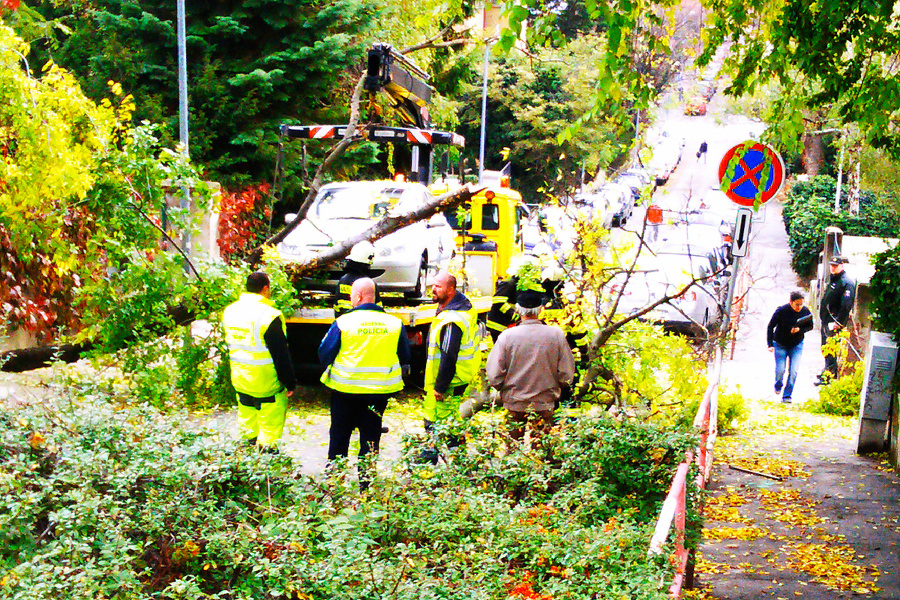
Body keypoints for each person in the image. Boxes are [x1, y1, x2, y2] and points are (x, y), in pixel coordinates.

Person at [319, 277, 410, 486]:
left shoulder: (343, 322)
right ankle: (366, 486)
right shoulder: (394, 324)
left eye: (351, 294)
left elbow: (324, 353)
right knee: (370, 438)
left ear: (358, 296)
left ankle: (335, 483)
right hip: (378, 393)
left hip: (345, 391)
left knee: (339, 436)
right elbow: (405, 356)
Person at [486, 288, 575, 441]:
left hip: (514, 403)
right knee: (543, 453)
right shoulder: (556, 335)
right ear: (540, 310)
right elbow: (566, 375)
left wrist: (504, 390)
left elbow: (494, 375)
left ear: (518, 310)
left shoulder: (507, 336)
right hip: (544, 403)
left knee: (512, 452)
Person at [222, 271, 296, 450]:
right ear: (265, 289)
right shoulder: (269, 316)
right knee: (269, 431)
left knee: (247, 428)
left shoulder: (230, 311)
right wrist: (289, 383)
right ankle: (266, 469)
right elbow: (280, 354)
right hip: (266, 384)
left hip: (241, 380)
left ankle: (246, 466)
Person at [422, 272, 480, 435]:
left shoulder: (452, 320)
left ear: (451, 290)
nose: (433, 289)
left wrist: (440, 387)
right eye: (433, 285)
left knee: (438, 425)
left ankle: (435, 457)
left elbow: (449, 355)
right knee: (449, 423)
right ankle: (450, 456)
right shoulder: (456, 308)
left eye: (438, 286)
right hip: (456, 379)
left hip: (448, 384)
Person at [766, 291, 814, 403]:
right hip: (780, 343)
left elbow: (810, 326)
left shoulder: (805, 311)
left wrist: (800, 330)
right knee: (780, 370)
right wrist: (770, 344)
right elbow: (770, 326)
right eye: (797, 304)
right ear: (791, 302)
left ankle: (787, 395)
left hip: (796, 344)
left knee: (793, 371)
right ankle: (778, 383)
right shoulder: (782, 311)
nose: (799, 307)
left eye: (801, 304)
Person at [817, 255, 856, 384]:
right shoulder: (834, 280)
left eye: (836, 266)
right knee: (826, 348)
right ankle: (827, 371)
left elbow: (846, 305)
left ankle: (830, 376)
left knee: (831, 348)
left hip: (834, 322)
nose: (833, 268)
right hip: (826, 320)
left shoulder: (846, 282)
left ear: (841, 265)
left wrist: (838, 322)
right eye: (832, 266)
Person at [335, 241, 380, 317]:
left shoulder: (343, 280)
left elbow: (337, 309)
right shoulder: (369, 284)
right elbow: (378, 311)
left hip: (344, 324)